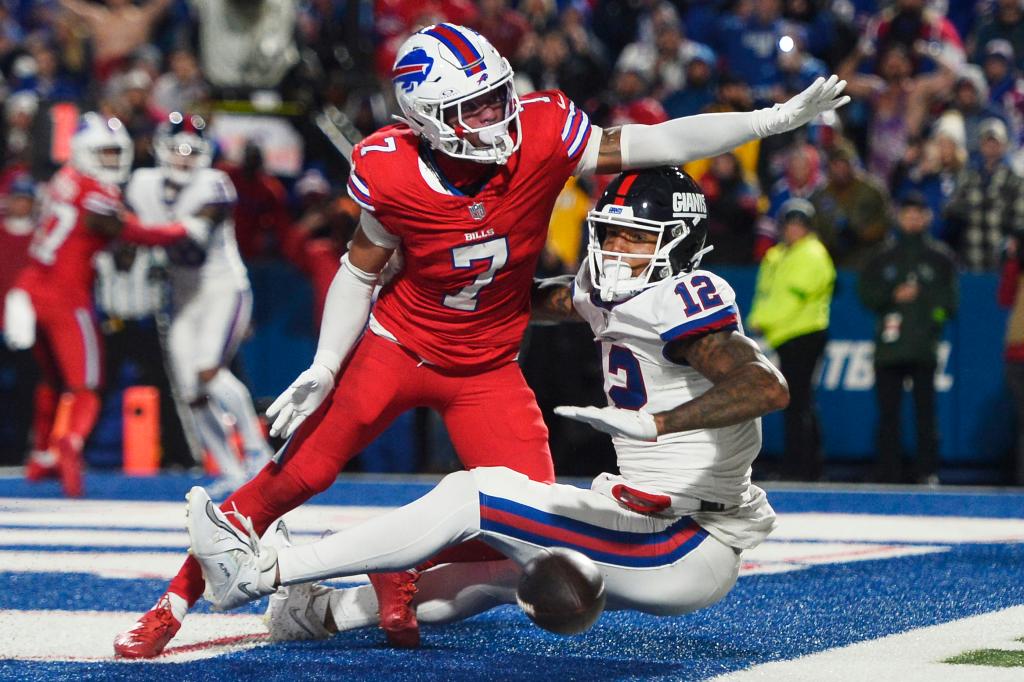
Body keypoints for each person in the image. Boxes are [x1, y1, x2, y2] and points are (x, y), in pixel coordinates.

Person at [113, 22, 847, 658]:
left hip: (489, 365)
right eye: (479, 105)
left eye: (500, 93)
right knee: (296, 476)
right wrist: (327, 362)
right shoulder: (389, 168)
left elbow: (655, 140)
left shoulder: (545, 132)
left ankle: (387, 573)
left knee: (521, 529)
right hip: (397, 347)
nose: (502, 114)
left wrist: (766, 119)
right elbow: (360, 268)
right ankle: (170, 605)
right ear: (429, 118)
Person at [183, 167, 789, 639]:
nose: (614, 249)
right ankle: (322, 615)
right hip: (647, 520)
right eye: (608, 233)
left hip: (683, 540)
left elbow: (766, 386)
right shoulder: (608, 290)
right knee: (495, 575)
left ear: (680, 245)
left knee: (475, 494)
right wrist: (439, 272)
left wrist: (659, 422)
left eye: (635, 237)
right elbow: (534, 300)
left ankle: (261, 572)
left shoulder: (684, 295)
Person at [3, 112, 208, 497]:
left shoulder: (64, 180)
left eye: (116, 152)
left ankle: (42, 452)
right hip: (67, 297)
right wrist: (179, 230)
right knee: (87, 386)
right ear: (84, 152)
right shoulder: (96, 191)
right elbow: (127, 230)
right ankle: (71, 445)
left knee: (50, 380)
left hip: (32, 285)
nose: (113, 160)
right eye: (105, 152)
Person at [125, 112, 273, 496]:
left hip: (223, 288)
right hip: (183, 295)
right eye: (177, 148)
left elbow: (191, 238)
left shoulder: (215, 184)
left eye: (192, 151)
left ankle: (258, 453)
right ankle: (229, 468)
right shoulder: (142, 184)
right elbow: (126, 249)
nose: (184, 158)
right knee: (190, 388)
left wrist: (130, 230)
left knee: (208, 370)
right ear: (161, 148)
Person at [858, 192, 958, 485]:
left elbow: (949, 304)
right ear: (899, 217)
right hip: (888, 348)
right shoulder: (883, 255)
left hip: (923, 347)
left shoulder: (940, 257)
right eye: (908, 213)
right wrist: (892, 296)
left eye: (918, 213)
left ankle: (926, 471)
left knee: (925, 413)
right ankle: (889, 472)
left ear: (928, 217)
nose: (913, 219)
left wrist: (927, 316)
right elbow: (866, 294)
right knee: (888, 414)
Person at [748, 199, 835, 481]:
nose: (794, 230)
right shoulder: (779, 255)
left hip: (804, 333)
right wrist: (756, 318)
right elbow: (767, 293)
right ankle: (800, 464)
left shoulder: (812, 254)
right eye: (790, 224)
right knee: (797, 401)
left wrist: (763, 321)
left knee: (799, 401)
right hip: (787, 335)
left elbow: (792, 300)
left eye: (799, 225)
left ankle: (804, 467)